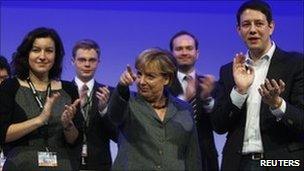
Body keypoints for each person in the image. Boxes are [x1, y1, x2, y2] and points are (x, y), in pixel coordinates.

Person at [211, 1, 304, 171]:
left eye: (259, 23)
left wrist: (277, 104)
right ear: (239, 30)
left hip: (280, 162)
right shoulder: (228, 71)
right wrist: (239, 91)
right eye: (246, 24)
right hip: (238, 163)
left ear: (271, 27)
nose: (252, 30)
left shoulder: (296, 64)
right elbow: (219, 125)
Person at [0, 27, 83, 171]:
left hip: (61, 166)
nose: (42, 56)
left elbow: (74, 139)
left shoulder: (69, 89)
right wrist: (39, 120)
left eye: (49, 51)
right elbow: (3, 134)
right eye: (36, 50)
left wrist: (67, 124)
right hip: (20, 166)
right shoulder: (10, 86)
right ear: (26, 54)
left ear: (56, 56)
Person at [107, 48, 201, 170]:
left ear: (166, 79)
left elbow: (192, 156)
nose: (141, 81)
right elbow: (114, 115)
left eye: (150, 76)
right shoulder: (128, 102)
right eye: (139, 74)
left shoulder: (183, 109)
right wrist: (122, 86)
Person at [168, 31, 218, 171]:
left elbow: (219, 125)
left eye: (189, 48)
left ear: (197, 53)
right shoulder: (162, 85)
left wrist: (207, 99)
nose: (184, 52)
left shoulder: (210, 85)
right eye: (179, 49)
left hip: (205, 160)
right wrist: (184, 99)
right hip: (171, 157)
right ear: (171, 54)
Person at [71, 39, 118, 171]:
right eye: (81, 60)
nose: (87, 64)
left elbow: (117, 135)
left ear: (98, 63)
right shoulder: (62, 91)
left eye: (92, 60)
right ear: (72, 61)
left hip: (100, 165)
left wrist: (104, 111)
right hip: (68, 163)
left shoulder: (110, 93)